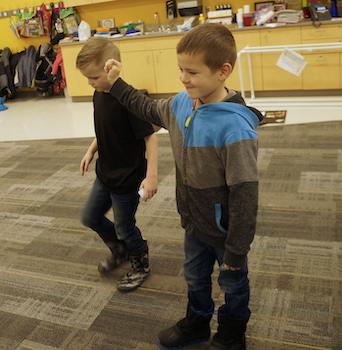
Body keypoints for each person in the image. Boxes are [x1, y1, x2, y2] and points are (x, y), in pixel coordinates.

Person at [105, 23, 263, 349]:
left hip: (226, 231)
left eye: (192, 71)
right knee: (194, 276)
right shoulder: (182, 103)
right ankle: (197, 322)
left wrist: (237, 247)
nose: (183, 78)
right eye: (180, 69)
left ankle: (232, 334)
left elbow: (246, 194)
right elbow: (147, 108)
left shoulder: (234, 127)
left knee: (232, 282)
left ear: (223, 71)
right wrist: (116, 84)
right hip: (193, 221)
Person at [76, 37, 158, 292]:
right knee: (90, 217)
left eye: (94, 77)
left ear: (111, 67)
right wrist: (91, 151)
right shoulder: (98, 94)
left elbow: (150, 136)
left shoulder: (129, 100)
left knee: (124, 226)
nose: (90, 83)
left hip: (127, 178)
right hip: (105, 173)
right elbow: (104, 130)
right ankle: (120, 249)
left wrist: (152, 176)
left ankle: (140, 259)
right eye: (87, 78)